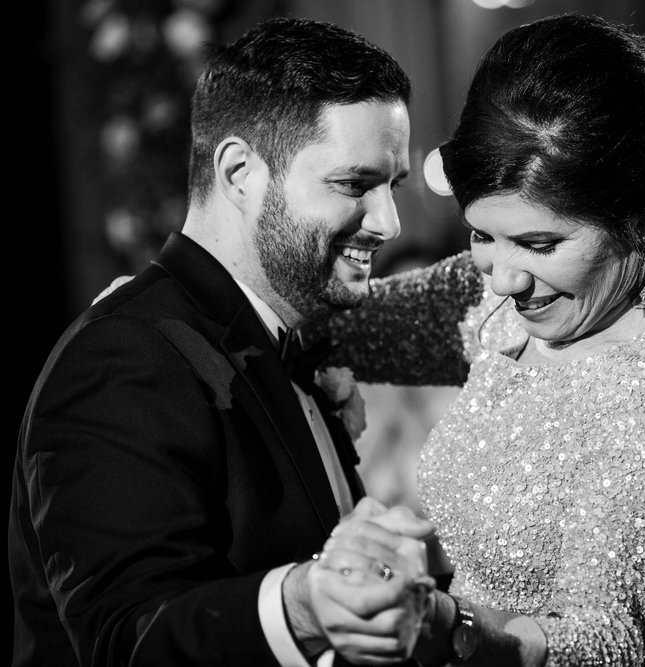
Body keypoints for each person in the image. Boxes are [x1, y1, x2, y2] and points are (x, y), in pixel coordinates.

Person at [315, 13, 645, 666]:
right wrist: (173, 296)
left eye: (540, 243)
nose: (504, 274)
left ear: (643, 213)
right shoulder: (493, 297)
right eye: (481, 234)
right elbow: (341, 322)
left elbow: (599, 642)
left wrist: (450, 630)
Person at [10, 17, 440, 667]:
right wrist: (300, 603)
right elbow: (125, 634)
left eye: (393, 186)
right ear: (240, 171)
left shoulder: (285, 335)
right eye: (355, 184)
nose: (388, 221)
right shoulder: (127, 356)